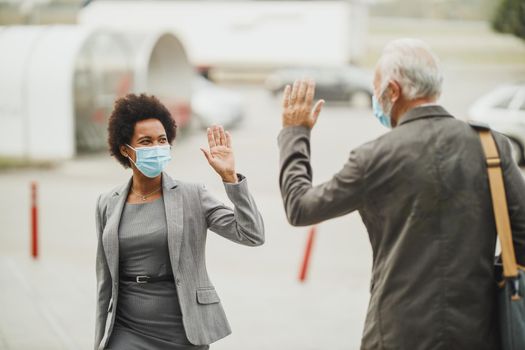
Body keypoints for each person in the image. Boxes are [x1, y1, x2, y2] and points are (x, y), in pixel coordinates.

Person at [277, 38, 525, 350]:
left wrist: (294, 133)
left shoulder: (374, 157)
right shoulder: (492, 146)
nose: (375, 97)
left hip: (395, 335)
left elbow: (300, 208)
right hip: (477, 333)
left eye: (376, 88)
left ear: (393, 91)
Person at [94, 93, 264, 350]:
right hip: (126, 327)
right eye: (146, 141)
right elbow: (104, 280)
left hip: (181, 330)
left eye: (162, 140)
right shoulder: (107, 203)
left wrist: (230, 178)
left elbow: (252, 234)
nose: (156, 147)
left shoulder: (192, 195)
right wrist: (99, 340)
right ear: (125, 150)